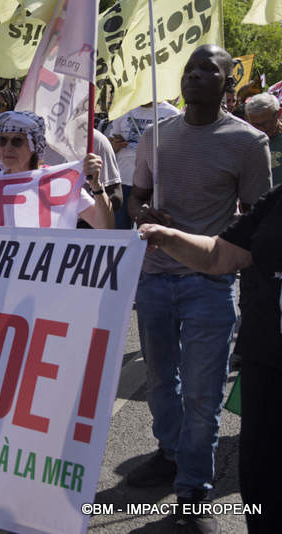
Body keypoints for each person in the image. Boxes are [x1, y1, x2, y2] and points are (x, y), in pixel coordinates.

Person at [126, 45, 272, 534]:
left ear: (229, 82)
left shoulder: (248, 143)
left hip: (210, 285)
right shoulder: (155, 136)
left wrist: (208, 243)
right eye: (190, 68)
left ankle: (193, 488)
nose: (194, 75)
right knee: (162, 384)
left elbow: (256, 222)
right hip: (153, 281)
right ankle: (169, 453)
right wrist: (143, 215)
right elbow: (136, 201)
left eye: (208, 69)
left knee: (203, 394)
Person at [138, 183, 282, 534]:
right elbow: (221, 255)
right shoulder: (278, 200)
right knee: (265, 483)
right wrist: (168, 237)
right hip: (268, 367)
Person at [0, 111, 113, 230]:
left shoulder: (60, 183)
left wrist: (96, 185)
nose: (8, 148)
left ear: (35, 146)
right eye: (2, 141)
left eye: (17, 141)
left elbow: (105, 227)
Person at [107, 101, 181, 229]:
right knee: (119, 232)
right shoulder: (123, 109)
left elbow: (179, 151)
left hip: (154, 186)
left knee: (151, 234)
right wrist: (114, 145)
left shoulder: (172, 114)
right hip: (123, 182)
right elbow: (109, 146)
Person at [245, 92, 282, 187]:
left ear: (278, 114)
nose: (261, 129)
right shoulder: (246, 142)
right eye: (255, 125)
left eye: (265, 123)